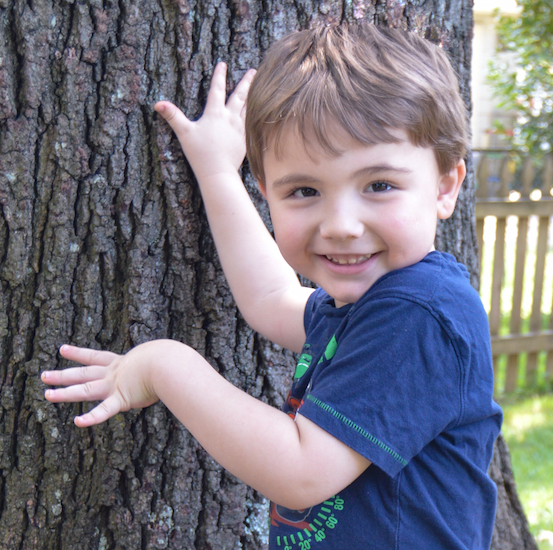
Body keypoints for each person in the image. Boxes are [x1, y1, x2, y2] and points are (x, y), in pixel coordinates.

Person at [42, 24, 503, 549]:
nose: (340, 225)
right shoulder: (374, 303)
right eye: (305, 191)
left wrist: (165, 365)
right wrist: (218, 172)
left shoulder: (420, 313)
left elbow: (300, 472)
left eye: (379, 185)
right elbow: (271, 299)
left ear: (445, 187)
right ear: (268, 194)